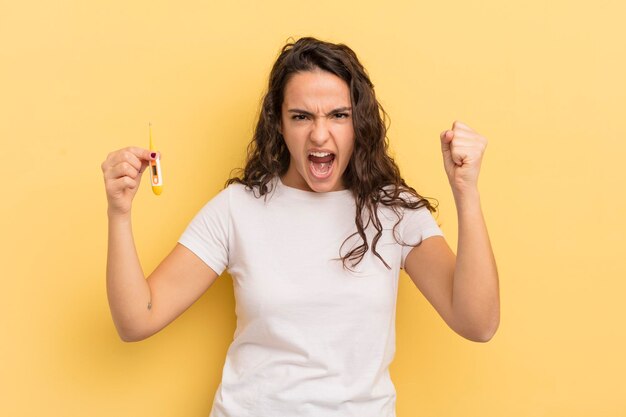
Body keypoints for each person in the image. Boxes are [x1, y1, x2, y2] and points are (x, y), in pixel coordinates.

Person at [101, 37, 499, 417]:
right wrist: (119, 213)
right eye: (301, 116)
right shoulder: (237, 209)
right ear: (278, 123)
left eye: (338, 115)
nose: (319, 133)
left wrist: (466, 192)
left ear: (358, 122)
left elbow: (477, 323)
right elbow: (139, 318)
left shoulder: (394, 212)